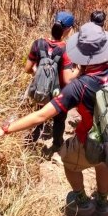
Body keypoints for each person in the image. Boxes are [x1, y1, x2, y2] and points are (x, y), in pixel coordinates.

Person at [0, 22, 108, 216]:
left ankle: (82, 202)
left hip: (89, 137)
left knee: (67, 160)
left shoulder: (79, 86)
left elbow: (41, 116)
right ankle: (103, 205)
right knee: (102, 164)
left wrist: (4, 130)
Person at [25, 10, 77, 150]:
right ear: (69, 30)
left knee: (39, 114)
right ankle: (56, 145)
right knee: (59, 120)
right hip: (58, 93)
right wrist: (80, 70)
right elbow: (67, 79)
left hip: (41, 90)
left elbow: (28, 68)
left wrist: (39, 74)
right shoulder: (67, 50)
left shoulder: (38, 43)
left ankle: (33, 140)